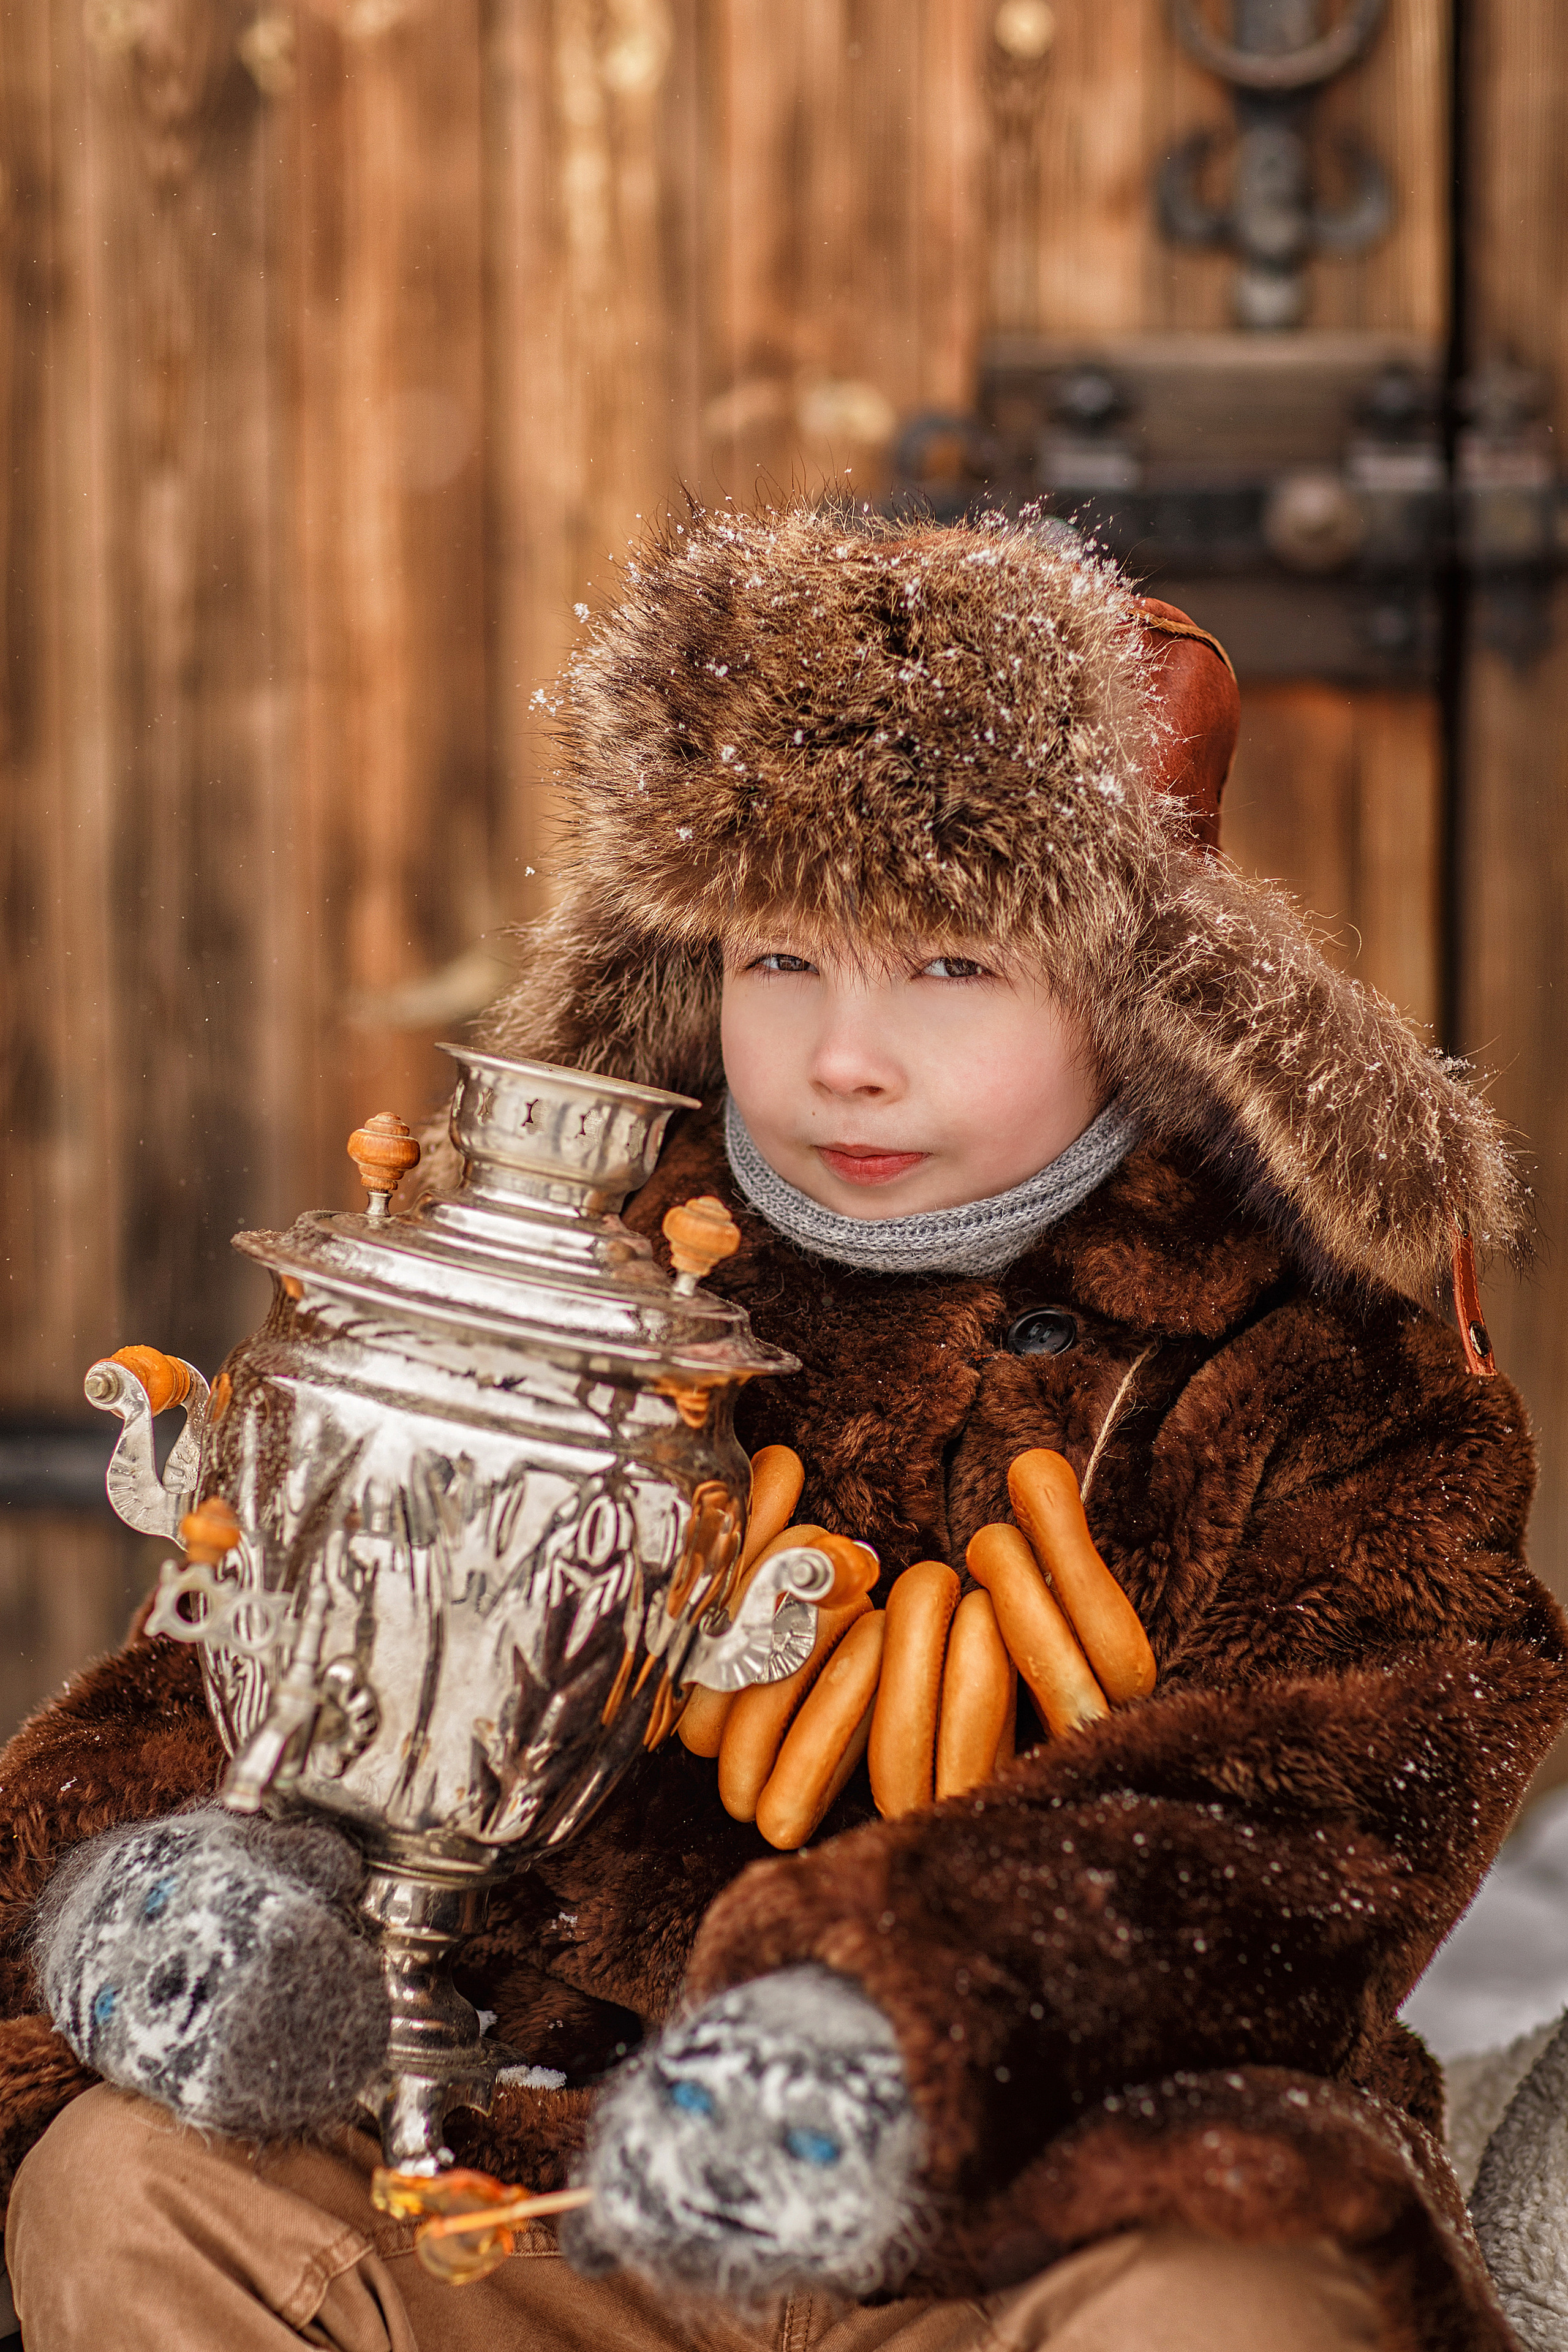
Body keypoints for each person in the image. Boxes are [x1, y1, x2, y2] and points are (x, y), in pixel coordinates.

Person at [1, 503, 1562, 2352]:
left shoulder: (1302, 1349)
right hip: (539, 2187)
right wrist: (187, 1893)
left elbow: (1333, 1801)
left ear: (1135, 981)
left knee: (1232, 2312)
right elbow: (242, 1660)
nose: (845, 1058)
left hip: (1052, 2220)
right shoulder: (525, 1280)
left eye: (954, 967)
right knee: (126, 2190)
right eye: (783, 961)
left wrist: (895, 2014)